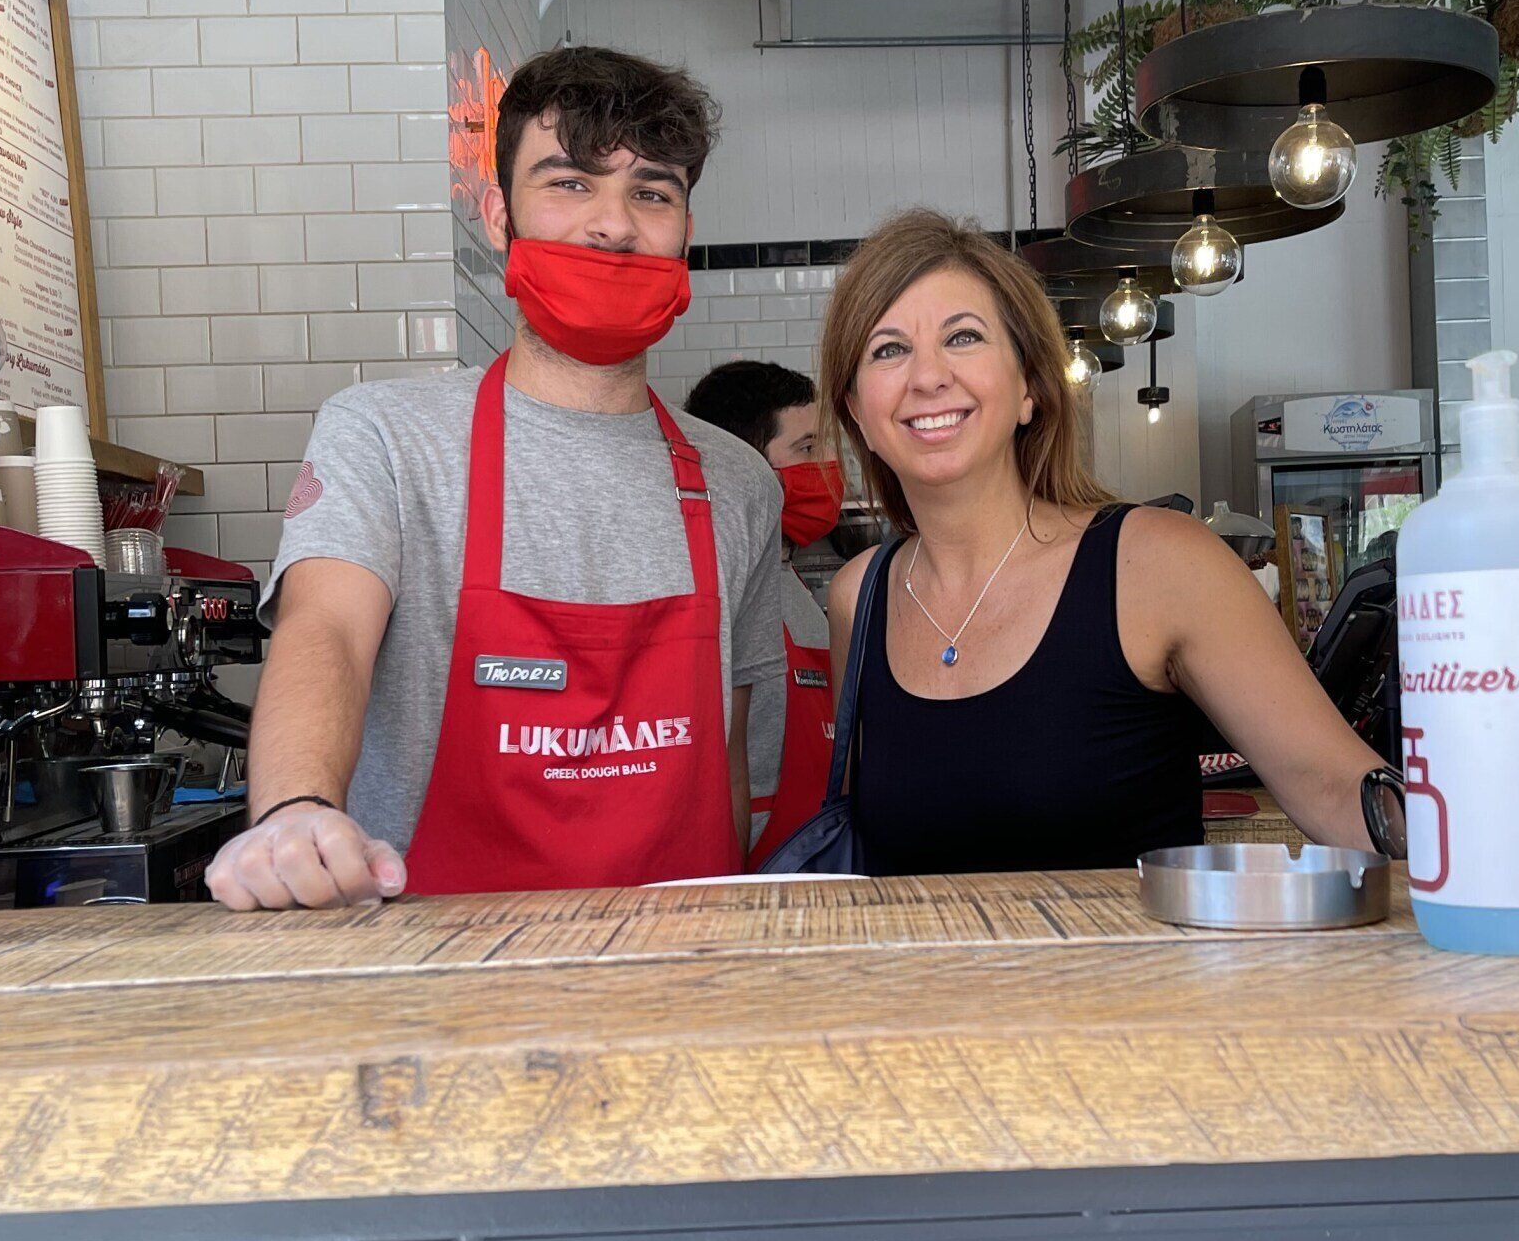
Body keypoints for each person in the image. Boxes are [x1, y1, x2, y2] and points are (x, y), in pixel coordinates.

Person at [206, 45, 784, 910]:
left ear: (685, 232)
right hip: (436, 981)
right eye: (569, 183)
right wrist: (295, 808)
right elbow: (325, 630)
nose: (615, 225)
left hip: (678, 977)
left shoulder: (738, 481)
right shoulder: (387, 439)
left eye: (652, 193)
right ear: (495, 213)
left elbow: (727, 762)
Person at [820, 210, 1406, 875]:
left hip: (1134, 980)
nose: (927, 376)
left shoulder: (1156, 563)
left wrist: (1487, 882)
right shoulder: (858, 598)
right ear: (858, 414)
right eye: (889, 349)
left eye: (964, 337)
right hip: (921, 979)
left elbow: (1334, 788)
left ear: (1029, 391)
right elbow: (863, 852)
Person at [684, 359, 843, 863]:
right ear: (744, 462)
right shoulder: (710, 586)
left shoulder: (788, 574)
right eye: (806, 449)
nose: (827, 467)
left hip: (818, 851)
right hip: (756, 865)